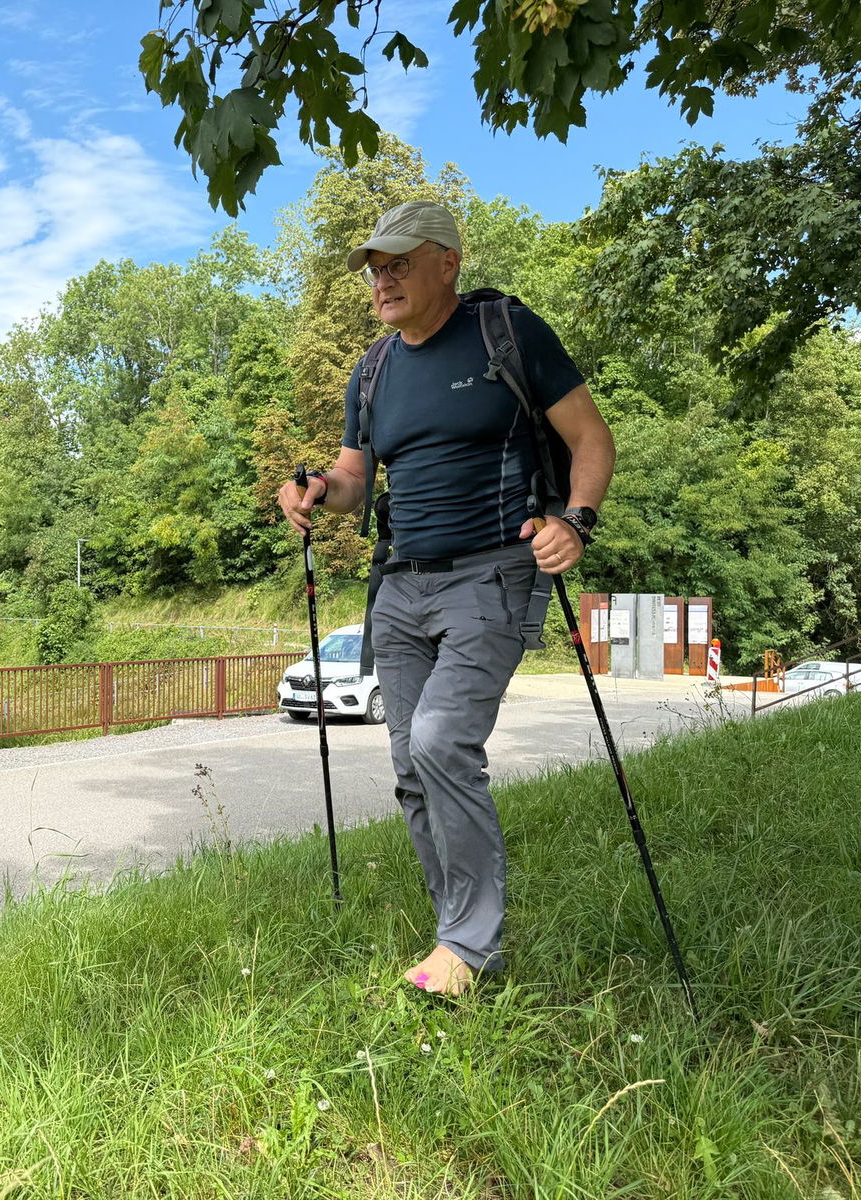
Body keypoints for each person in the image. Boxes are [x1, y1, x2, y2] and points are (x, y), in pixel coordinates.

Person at [277, 200, 615, 996]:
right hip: (399, 584)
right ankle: (455, 931)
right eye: (375, 270)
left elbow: (590, 439)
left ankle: (467, 948)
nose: (383, 281)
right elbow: (355, 480)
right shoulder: (375, 368)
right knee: (408, 765)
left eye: (399, 264)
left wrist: (576, 521)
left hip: (493, 572)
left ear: (448, 263)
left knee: (438, 742)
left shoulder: (506, 334)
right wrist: (318, 487)